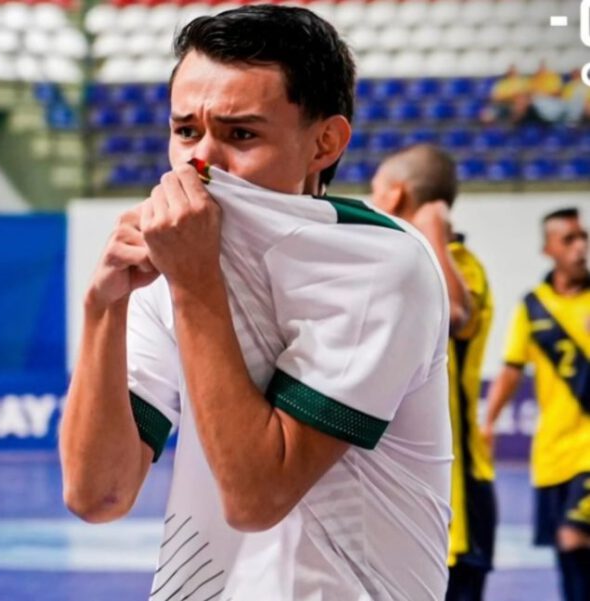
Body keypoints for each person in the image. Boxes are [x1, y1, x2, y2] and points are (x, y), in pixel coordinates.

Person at [60, 6, 452, 599]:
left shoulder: (380, 266)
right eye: (186, 131)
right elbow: (98, 496)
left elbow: (256, 497)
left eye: (241, 135)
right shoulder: (169, 261)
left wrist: (194, 284)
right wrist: (102, 307)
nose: (201, 164)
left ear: (325, 142)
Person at [371, 145, 497, 601]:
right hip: (402, 489)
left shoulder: (460, 266)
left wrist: (432, 232)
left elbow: (457, 313)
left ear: (396, 194)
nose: (371, 198)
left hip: (457, 494)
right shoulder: (391, 265)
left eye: (377, 189)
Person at [484, 208, 590, 601]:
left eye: (584, 238)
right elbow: (512, 368)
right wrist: (488, 421)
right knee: (568, 549)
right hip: (553, 454)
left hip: (587, 453)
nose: (581, 248)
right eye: (569, 240)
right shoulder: (533, 307)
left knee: (574, 535)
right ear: (548, 249)